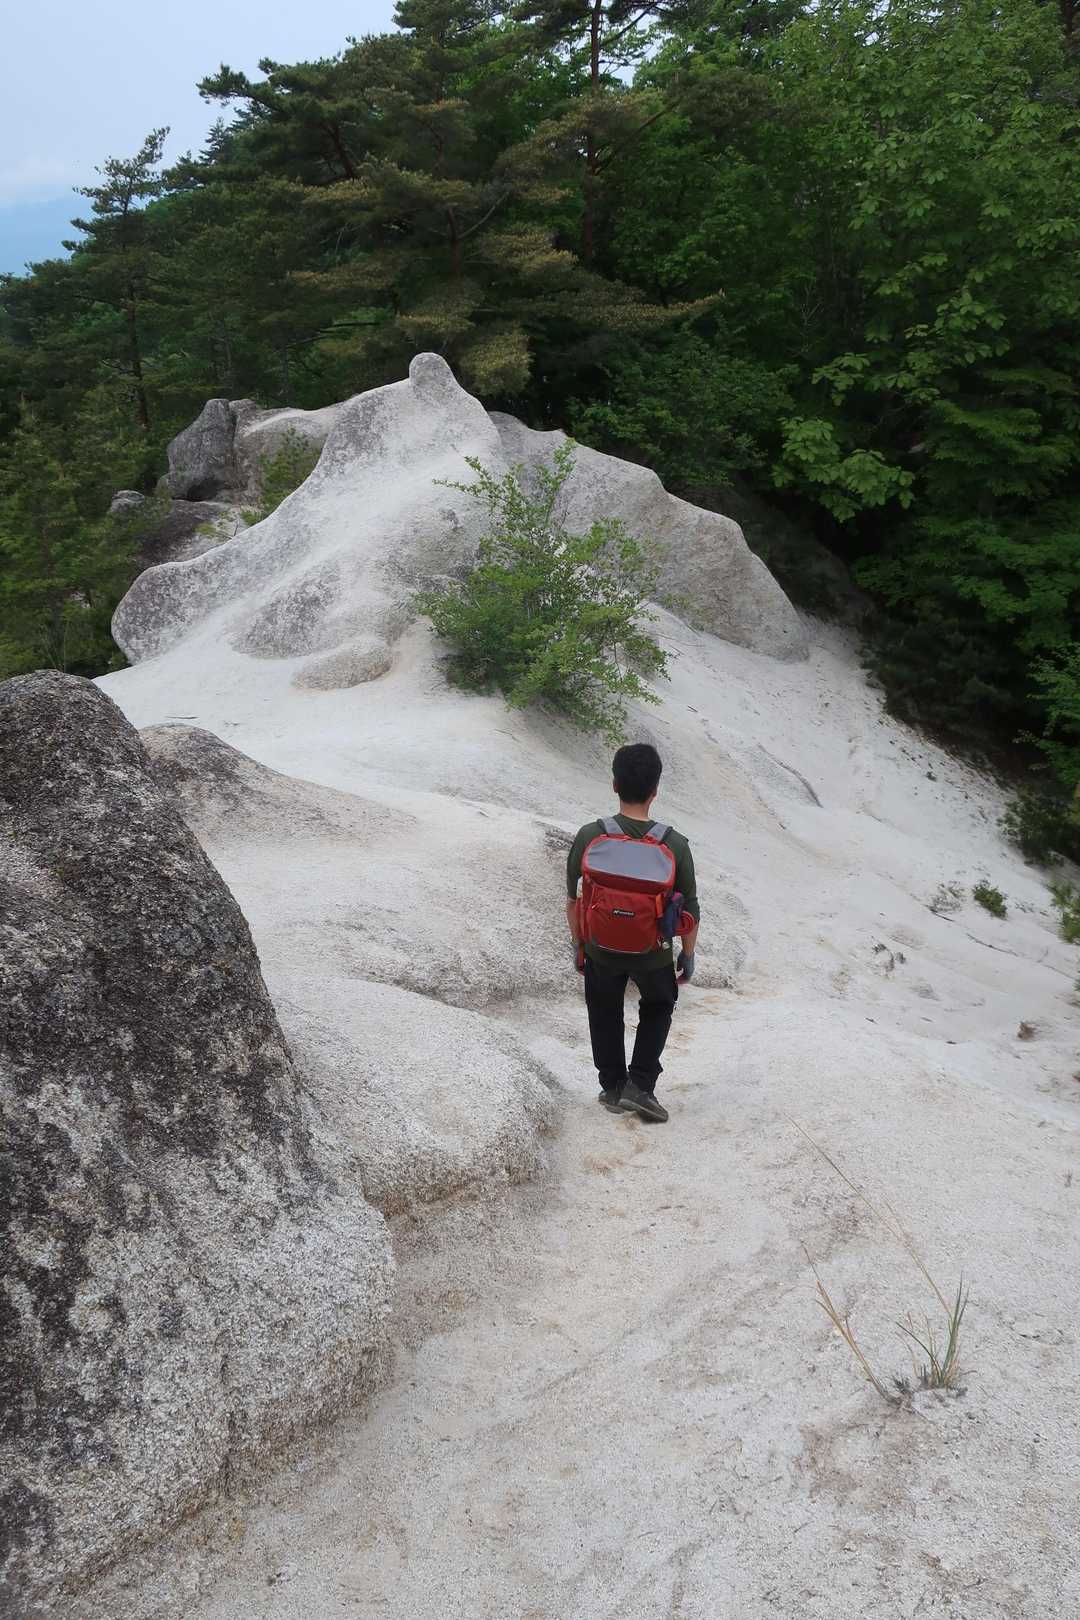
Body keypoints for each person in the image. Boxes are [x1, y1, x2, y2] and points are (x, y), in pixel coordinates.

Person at [565, 743, 699, 1124]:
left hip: (600, 948)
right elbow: (690, 911)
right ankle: (640, 1085)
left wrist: (580, 945)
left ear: (614, 784)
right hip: (653, 952)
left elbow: (574, 899)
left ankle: (612, 1086)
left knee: (603, 1008)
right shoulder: (674, 844)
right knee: (658, 1005)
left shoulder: (590, 835)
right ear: (655, 790)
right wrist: (687, 955)